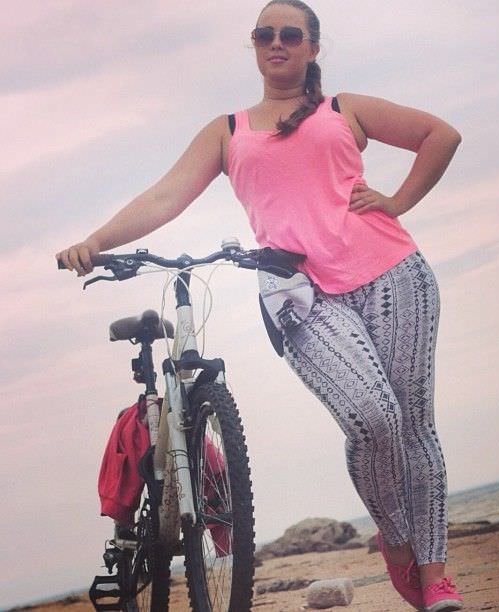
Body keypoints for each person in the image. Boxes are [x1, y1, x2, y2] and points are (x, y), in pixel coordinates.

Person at [57, 1, 463, 610]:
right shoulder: (227, 131)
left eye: (291, 34)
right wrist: (96, 241)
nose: (277, 42)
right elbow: (165, 196)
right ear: (253, 45)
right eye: (264, 34)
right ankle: (398, 541)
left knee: (414, 426)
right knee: (373, 418)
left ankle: (434, 576)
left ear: (312, 47)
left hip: (393, 273)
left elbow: (441, 135)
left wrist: (398, 201)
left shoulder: (343, 108)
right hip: (297, 291)